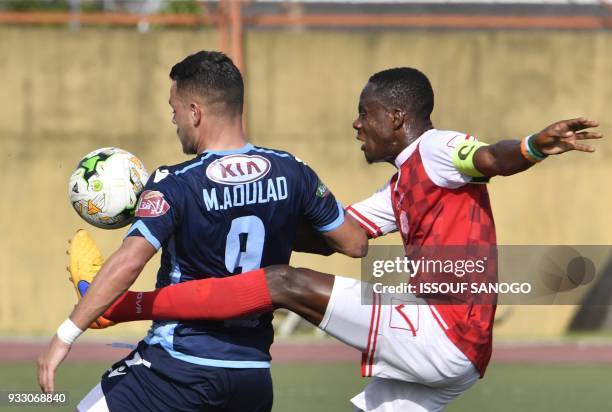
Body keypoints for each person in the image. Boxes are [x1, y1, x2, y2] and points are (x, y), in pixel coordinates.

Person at [70, 67, 602, 411]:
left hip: (444, 334)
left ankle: (119, 307)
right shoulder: (400, 189)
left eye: (365, 113)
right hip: (456, 362)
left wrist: (533, 145)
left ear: (396, 117)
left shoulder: (438, 150)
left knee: (281, 282)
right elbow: (340, 238)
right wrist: (206, 212)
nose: (356, 123)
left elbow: (489, 158)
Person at [37, 50, 367, 411]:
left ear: (195, 112)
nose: (173, 119)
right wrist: (281, 223)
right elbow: (353, 243)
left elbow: (130, 261)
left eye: (174, 108)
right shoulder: (292, 170)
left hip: (177, 370)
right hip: (252, 375)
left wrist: (65, 336)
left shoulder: (175, 182)